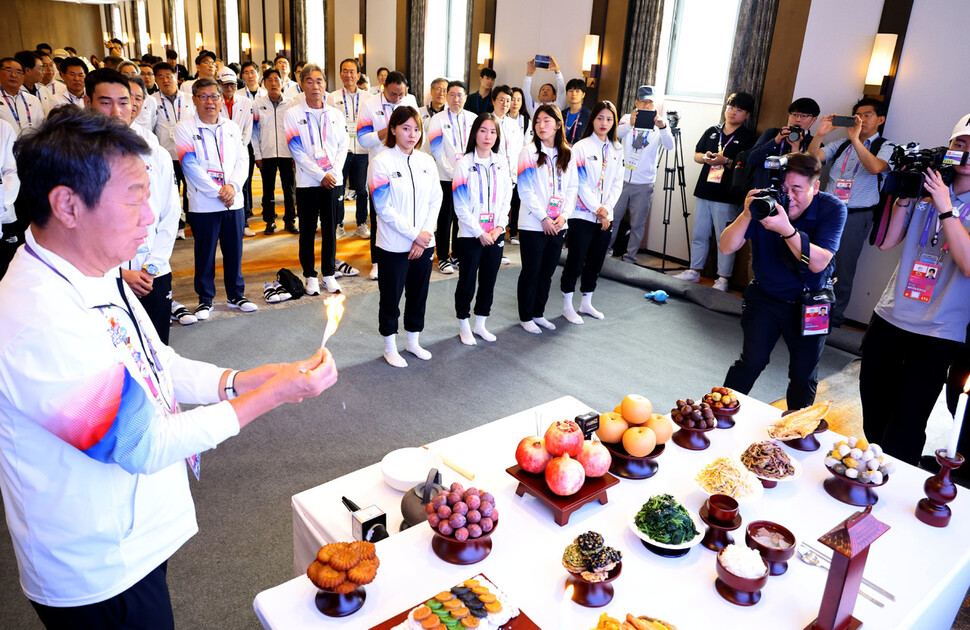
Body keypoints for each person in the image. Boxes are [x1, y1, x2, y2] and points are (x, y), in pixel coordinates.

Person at [0, 107, 339, 629]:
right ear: (67, 204)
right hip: (97, 564)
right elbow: (141, 443)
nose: (152, 217)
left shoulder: (97, 269)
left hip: (134, 533)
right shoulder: (36, 318)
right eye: (134, 198)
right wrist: (270, 396)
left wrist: (244, 380)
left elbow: (155, 359)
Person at [859, 114, 970, 467]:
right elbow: (888, 241)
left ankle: (897, 481)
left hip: (940, 328)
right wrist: (904, 196)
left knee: (909, 416)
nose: (965, 153)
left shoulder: (941, 197)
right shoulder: (929, 187)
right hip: (893, 313)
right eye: (960, 143)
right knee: (873, 402)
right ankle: (879, 468)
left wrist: (946, 207)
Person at [720, 152, 846, 409]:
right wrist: (746, 214)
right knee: (751, 362)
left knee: (803, 374)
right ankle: (720, 412)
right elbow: (726, 247)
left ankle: (797, 431)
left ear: (816, 187)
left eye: (798, 189)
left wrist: (786, 230)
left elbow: (819, 262)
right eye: (784, 187)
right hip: (766, 297)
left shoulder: (832, 208)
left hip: (811, 301)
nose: (789, 196)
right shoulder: (767, 201)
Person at [87, 69, 181, 345]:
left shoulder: (154, 153)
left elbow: (169, 212)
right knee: (112, 354)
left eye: (124, 102)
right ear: (88, 104)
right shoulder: (78, 158)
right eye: (105, 102)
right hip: (102, 277)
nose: (116, 111)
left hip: (152, 274)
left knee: (156, 347)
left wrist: (152, 266)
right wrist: (118, 274)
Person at [807, 97, 893, 327]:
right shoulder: (841, 144)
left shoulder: (887, 146)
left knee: (842, 268)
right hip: (826, 211)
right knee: (814, 261)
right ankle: (808, 312)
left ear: (880, 119)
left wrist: (855, 138)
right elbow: (811, 161)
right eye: (858, 115)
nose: (861, 119)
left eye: (867, 115)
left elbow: (875, 167)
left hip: (856, 216)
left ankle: (832, 319)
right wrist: (820, 135)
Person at [176, 78, 256, 319]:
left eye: (214, 96)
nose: (209, 101)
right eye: (203, 96)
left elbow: (243, 160)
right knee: (205, 253)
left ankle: (236, 295)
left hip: (234, 202)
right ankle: (205, 299)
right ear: (194, 100)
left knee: (234, 251)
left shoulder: (231, 127)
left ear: (222, 100)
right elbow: (189, 166)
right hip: (204, 204)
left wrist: (232, 186)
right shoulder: (185, 128)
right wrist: (218, 192)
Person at [368, 106, 441, 367]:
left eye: (416, 129)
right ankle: (390, 345)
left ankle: (413, 341)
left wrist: (425, 234)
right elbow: (384, 208)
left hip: (424, 242)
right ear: (394, 129)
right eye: (406, 128)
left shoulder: (427, 161)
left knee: (418, 294)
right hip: (393, 245)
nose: (412, 134)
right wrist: (414, 236)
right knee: (391, 296)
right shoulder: (381, 162)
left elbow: (436, 199)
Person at [674, 92, 757, 290]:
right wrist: (706, 158)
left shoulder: (748, 137)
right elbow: (696, 154)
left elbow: (747, 166)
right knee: (699, 233)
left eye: (739, 110)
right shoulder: (713, 130)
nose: (732, 113)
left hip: (727, 195)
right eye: (730, 107)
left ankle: (723, 279)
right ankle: (694, 271)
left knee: (724, 237)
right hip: (704, 190)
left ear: (746, 115)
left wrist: (726, 161)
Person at [285, 63, 350, 296]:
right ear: (301, 84)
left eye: (319, 81)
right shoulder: (293, 114)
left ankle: (329, 274)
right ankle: (310, 275)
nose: (315, 86)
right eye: (309, 81)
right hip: (308, 182)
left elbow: (344, 145)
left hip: (333, 180)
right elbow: (297, 151)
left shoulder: (336, 114)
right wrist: (321, 174)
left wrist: (333, 173)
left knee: (331, 228)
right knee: (308, 229)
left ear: (325, 84)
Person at [516, 104, 578, 334]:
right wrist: (543, 217)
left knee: (547, 272)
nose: (541, 125)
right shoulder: (528, 152)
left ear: (558, 124)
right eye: (538, 121)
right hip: (534, 223)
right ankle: (525, 316)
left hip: (558, 223)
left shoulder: (568, 153)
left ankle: (538, 313)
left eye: (547, 121)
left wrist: (563, 216)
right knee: (531, 271)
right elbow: (525, 190)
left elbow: (572, 189)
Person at [452, 113, 512, 345]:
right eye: (483, 131)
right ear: (475, 133)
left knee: (489, 280)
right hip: (470, 235)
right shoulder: (464, 163)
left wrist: (499, 227)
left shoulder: (501, 162)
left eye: (493, 132)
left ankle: (481, 324)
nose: (488, 136)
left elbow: (507, 198)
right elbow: (460, 204)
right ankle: (464, 324)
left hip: (495, 234)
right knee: (467, 280)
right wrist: (479, 232)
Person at [561, 100, 624, 323]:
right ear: (593, 120)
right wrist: (598, 210)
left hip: (605, 217)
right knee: (576, 261)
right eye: (600, 118)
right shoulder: (580, 147)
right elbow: (580, 183)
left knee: (596, 262)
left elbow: (617, 183)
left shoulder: (617, 148)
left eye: (609, 119)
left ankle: (586, 302)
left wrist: (606, 210)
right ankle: (567, 305)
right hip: (582, 215)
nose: (604, 123)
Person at [357, 70, 419, 281]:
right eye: (394, 94)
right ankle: (377, 262)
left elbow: (417, 132)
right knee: (379, 216)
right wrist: (389, 130)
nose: (398, 99)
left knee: (405, 211)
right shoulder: (370, 104)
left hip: (406, 165)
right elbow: (363, 139)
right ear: (384, 88)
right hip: (381, 167)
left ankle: (406, 250)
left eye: (401, 94)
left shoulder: (410, 101)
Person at [607, 85, 673, 264]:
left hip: (644, 183)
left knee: (638, 224)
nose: (646, 105)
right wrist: (631, 124)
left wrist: (663, 127)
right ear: (636, 102)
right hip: (621, 180)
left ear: (655, 105)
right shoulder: (627, 118)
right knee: (613, 218)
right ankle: (606, 253)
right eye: (643, 101)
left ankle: (630, 258)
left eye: (650, 102)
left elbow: (669, 146)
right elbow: (618, 133)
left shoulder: (660, 123)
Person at [427, 81, 476, 275]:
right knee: (445, 217)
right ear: (447, 97)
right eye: (452, 95)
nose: (456, 99)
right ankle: (443, 257)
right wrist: (452, 173)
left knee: (461, 216)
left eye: (460, 95)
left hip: (466, 177)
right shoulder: (437, 120)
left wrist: (465, 172)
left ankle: (456, 253)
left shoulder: (473, 119)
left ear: (465, 97)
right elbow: (437, 152)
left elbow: (475, 148)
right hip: (444, 177)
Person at [327, 58, 372, 240]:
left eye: (352, 71)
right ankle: (338, 224)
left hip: (362, 150)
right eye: (345, 71)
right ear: (340, 74)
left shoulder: (369, 98)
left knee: (362, 190)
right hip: (341, 152)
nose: (348, 75)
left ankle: (361, 224)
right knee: (338, 190)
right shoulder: (333, 97)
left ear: (358, 75)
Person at [253, 67, 297, 235]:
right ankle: (270, 221)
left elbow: (294, 131)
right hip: (267, 153)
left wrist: (294, 153)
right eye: (269, 80)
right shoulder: (258, 104)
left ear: (282, 82)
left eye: (276, 79)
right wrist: (258, 154)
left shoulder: (290, 103)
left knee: (289, 189)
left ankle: (290, 220)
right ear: (264, 83)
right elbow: (254, 133)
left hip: (287, 153)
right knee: (268, 189)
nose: (273, 83)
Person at [153, 62, 195, 230]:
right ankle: (176, 222)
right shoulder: (152, 101)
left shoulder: (189, 99)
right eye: (161, 77)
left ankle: (192, 217)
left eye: (169, 76)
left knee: (190, 188)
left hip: (188, 153)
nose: (166, 80)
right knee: (171, 190)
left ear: (176, 77)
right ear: (156, 80)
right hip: (165, 154)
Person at [217, 68, 256, 237]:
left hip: (241, 150)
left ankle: (244, 221)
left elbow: (248, 128)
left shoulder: (246, 102)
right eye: (225, 85)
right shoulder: (215, 102)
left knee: (243, 185)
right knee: (222, 183)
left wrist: (238, 147)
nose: (229, 88)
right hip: (219, 151)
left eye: (232, 85)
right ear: (218, 84)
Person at [747, 97, 819, 188]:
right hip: (762, 190)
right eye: (795, 114)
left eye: (804, 116)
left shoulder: (813, 143)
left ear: (814, 119)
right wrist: (775, 141)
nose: (798, 119)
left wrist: (795, 151)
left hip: (792, 195)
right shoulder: (772, 134)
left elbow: (810, 175)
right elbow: (751, 159)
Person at [491, 84, 524, 265]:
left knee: (504, 214)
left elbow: (518, 151)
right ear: (494, 101)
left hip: (510, 178)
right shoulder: (487, 121)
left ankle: (498, 249)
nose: (505, 104)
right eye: (501, 100)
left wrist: (514, 175)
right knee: (492, 212)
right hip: (493, 175)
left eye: (508, 101)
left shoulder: (514, 125)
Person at [506, 87, 531, 244]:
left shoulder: (526, 120)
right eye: (512, 99)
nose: (515, 103)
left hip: (520, 163)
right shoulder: (501, 118)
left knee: (517, 200)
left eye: (518, 99)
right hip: (504, 164)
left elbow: (528, 142)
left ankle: (514, 231)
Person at [0, 57, 45, 133]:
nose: (13, 75)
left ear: (23, 76)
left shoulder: (33, 100)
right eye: (8, 70)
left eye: (18, 72)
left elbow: (42, 127)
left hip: (31, 143)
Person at [0, 118, 19, 280]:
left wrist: (2, 203)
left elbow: (12, 171)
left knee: (5, 267)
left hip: (3, 214)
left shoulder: (4, 128)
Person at [419, 77, 448, 145]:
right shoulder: (419, 112)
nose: (441, 93)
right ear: (431, 90)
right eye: (438, 89)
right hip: (424, 153)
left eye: (445, 90)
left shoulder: (450, 114)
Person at [562, 78, 590, 145]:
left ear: (583, 95)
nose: (573, 94)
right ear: (566, 94)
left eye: (577, 91)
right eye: (570, 91)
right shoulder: (562, 114)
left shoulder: (588, 115)